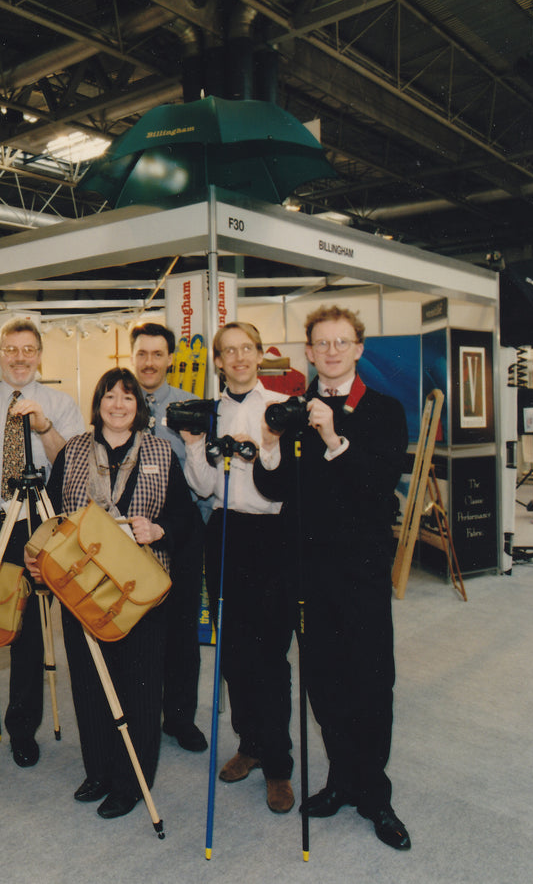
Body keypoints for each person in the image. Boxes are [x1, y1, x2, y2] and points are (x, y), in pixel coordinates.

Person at [253, 305, 411, 850]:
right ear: (310, 351)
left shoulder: (385, 411)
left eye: (342, 342)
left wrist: (334, 436)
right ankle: (341, 780)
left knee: (370, 682)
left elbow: (375, 485)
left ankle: (375, 791)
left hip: (362, 573)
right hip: (308, 572)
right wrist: (270, 450)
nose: (333, 351)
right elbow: (275, 492)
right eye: (322, 343)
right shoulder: (293, 412)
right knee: (323, 682)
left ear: (359, 348)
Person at [27, 368, 193, 819]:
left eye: (128, 398)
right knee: (89, 680)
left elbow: (185, 516)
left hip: (141, 588)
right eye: (109, 397)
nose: (118, 405)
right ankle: (98, 769)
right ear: (97, 403)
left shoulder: (161, 451)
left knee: (139, 686)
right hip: (83, 585)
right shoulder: (74, 450)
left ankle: (132, 780)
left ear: (139, 406)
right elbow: (55, 515)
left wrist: (158, 528)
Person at [0, 318, 85, 767]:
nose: (20, 357)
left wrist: (45, 427)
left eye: (28, 349)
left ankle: (22, 729)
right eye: (11, 349)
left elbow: (72, 468)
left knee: (29, 633)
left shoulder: (61, 403)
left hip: (37, 522)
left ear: (41, 353)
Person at [180, 322, 296, 814]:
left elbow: (286, 482)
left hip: (271, 535)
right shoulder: (212, 412)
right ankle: (250, 744)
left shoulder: (278, 409)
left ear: (258, 353)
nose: (239, 358)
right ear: (220, 362)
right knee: (232, 652)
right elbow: (205, 486)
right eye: (229, 352)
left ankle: (278, 766)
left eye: (246, 348)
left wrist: (266, 444)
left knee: (271, 654)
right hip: (225, 532)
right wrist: (191, 444)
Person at [129, 321, 207, 753]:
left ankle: (180, 717)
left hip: (180, 531)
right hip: (132, 534)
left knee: (181, 627)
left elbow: (202, 471)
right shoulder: (119, 402)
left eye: (158, 354)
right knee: (138, 623)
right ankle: (140, 711)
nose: (150, 362)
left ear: (171, 359)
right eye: (142, 354)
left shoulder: (188, 406)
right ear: (132, 356)